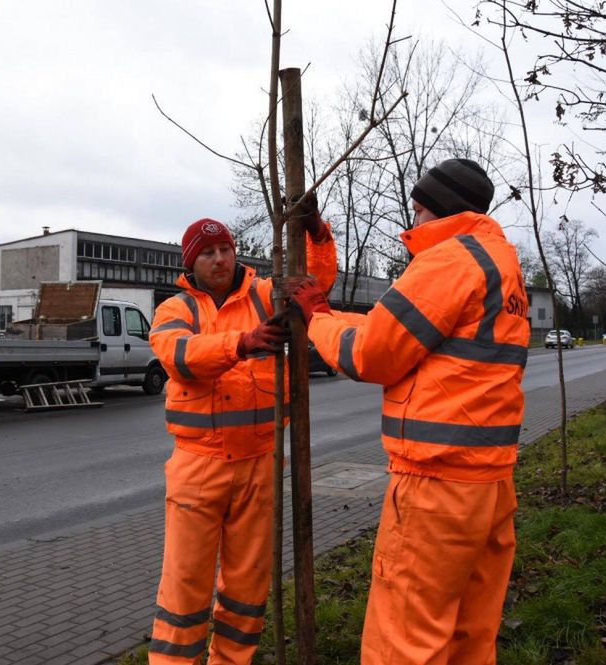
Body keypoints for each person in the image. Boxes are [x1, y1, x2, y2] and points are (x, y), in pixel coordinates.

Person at [288, 158, 530, 664]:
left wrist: (318, 320)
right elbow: (397, 328)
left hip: (435, 485)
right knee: (469, 636)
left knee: (405, 641)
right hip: (488, 483)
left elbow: (373, 352)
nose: (413, 222)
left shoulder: (447, 261)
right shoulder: (499, 262)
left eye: (418, 211)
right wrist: (331, 312)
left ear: (441, 210)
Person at [147, 206, 337, 664]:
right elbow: (180, 356)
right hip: (199, 467)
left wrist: (315, 232)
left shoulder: (266, 294)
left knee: (248, 582)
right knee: (185, 581)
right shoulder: (177, 308)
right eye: (207, 253)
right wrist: (241, 343)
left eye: (225, 249)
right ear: (189, 264)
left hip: (261, 464)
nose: (219, 259)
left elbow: (316, 283)